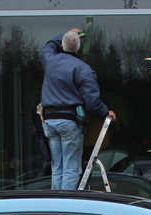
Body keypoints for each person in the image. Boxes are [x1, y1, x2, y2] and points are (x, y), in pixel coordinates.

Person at [40, 28, 116, 190]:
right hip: (69, 122)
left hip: (50, 121)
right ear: (79, 48)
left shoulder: (50, 60)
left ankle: (55, 202)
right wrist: (106, 112)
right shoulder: (83, 69)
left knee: (57, 167)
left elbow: (47, 47)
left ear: (62, 45)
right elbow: (92, 102)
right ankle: (67, 204)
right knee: (71, 169)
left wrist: (64, 34)